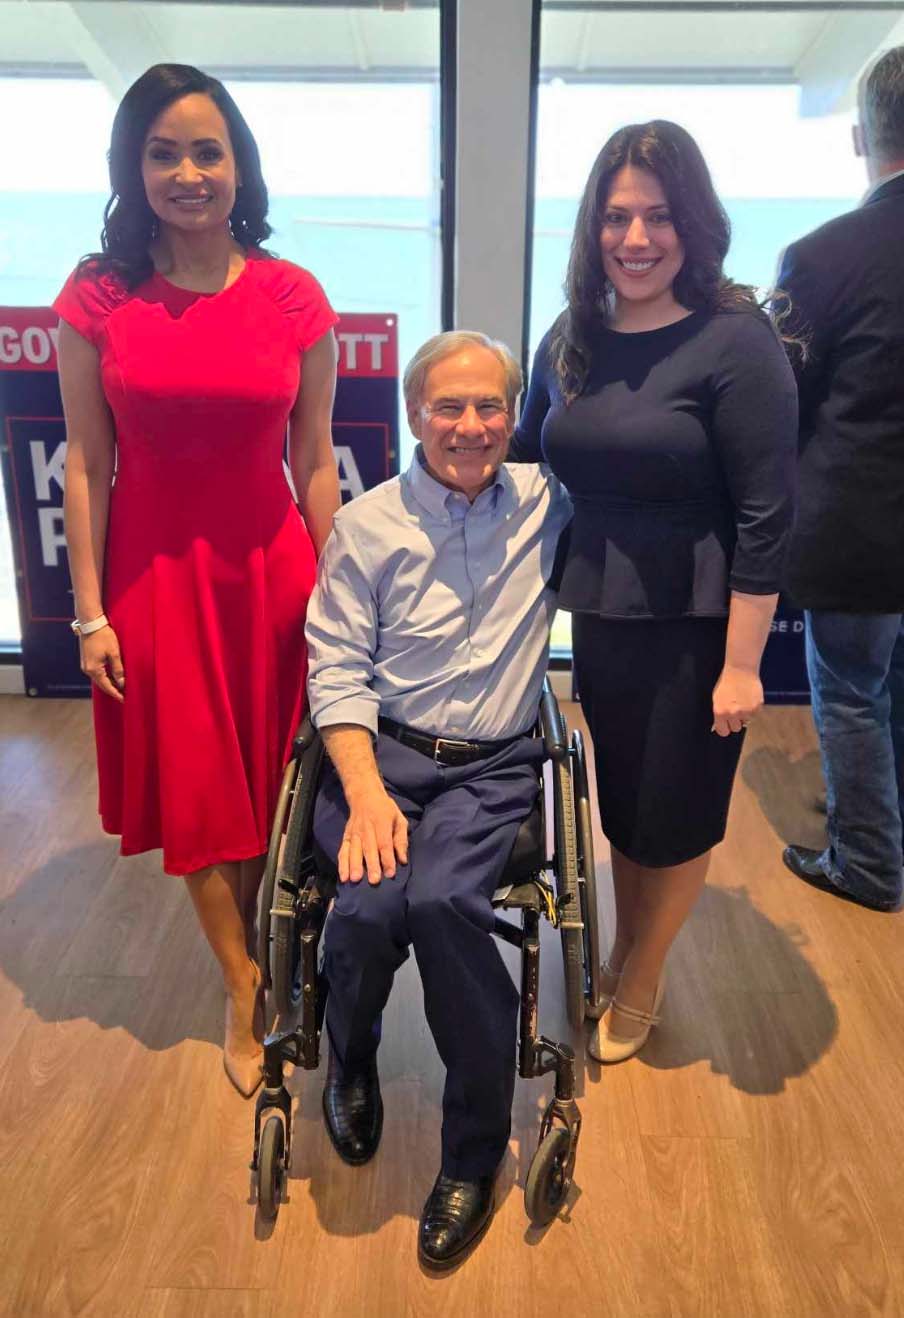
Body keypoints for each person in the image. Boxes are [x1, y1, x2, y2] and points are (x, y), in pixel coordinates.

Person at [54, 64, 340, 1097]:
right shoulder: (96, 298)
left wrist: (343, 594)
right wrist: (89, 612)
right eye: (164, 152)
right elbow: (86, 461)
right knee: (198, 787)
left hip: (273, 572)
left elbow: (315, 459)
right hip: (153, 578)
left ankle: (276, 933)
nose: (188, 172)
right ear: (135, 168)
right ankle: (242, 980)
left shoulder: (293, 296)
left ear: (238, 165)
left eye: (207, 151)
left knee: (275, 790)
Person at [513, 120, 797, 1064]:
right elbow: (521, 455)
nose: (636, 239)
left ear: (695, 224)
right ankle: (632, 940)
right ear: (593, 226)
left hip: (700, 622)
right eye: (618, 217)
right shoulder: (575, 332)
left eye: (659, 217)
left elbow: (767, 510)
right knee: (626, 800)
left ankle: (643, 974)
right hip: (601, 608)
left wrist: (744, 664)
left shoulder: (735, 339)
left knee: (676, 811)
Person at [304, 331, 571, 1268]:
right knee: (367, 908)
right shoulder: (366, 525)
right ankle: (354, 1054)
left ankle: (469, 1156)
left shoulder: (548, 503)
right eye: (448, 407)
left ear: (514, 413)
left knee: (443, 902)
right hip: (385, 754)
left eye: (490, 405)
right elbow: (333, 668)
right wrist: (367, 792)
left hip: (492, 768)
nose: (470, 426)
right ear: (415, 414)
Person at [779, 49, 904, 913]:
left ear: (862, 134)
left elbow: (785, 400)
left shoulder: (823, 257)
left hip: (859, 527)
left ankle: (868, 864)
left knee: (853, 692)